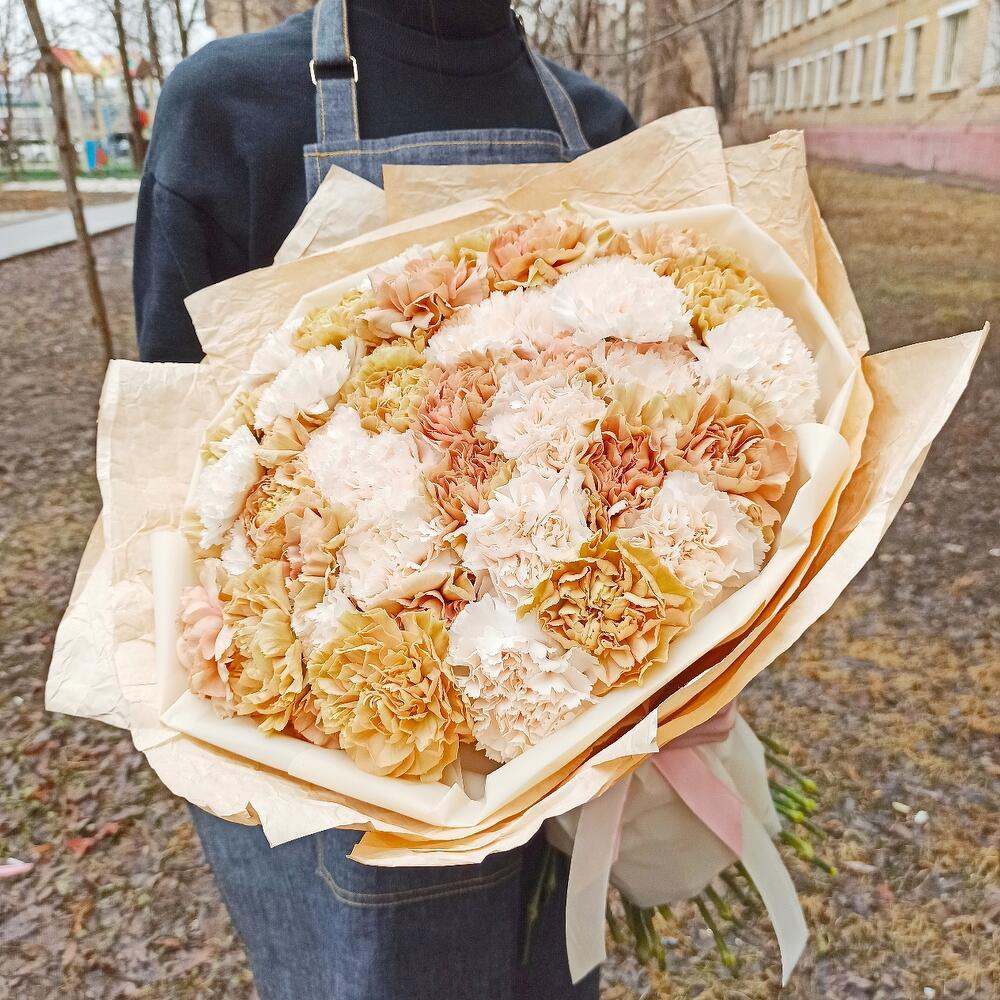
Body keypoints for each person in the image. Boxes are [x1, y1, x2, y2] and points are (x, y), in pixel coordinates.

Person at [133, 2, 634, 998]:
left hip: (583, 733)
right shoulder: (228, 108)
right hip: (346, 758)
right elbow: (180, 460)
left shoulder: (603, 126)